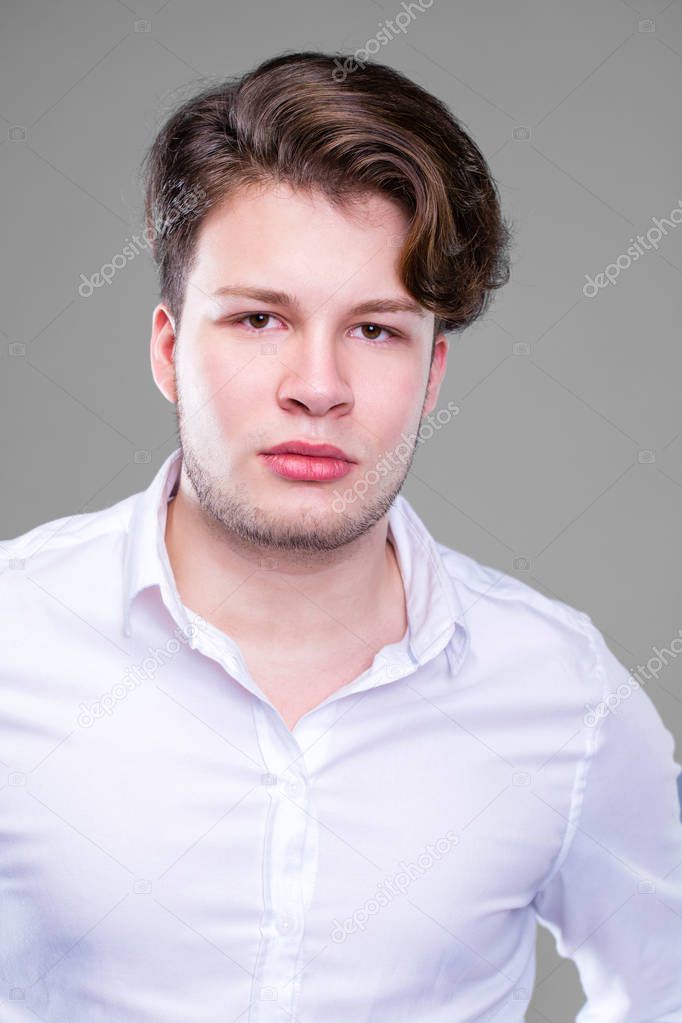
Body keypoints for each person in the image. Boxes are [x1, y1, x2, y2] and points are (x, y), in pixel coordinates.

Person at [1, 50, 681, 1023]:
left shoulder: (563, 695)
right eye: (258, 319)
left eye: (374, 330)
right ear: (168, 348)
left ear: (432, 374)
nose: (316, 386)